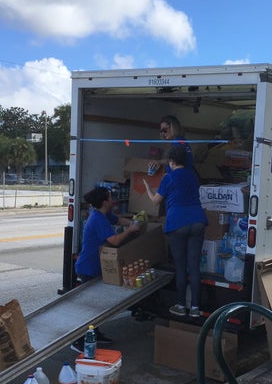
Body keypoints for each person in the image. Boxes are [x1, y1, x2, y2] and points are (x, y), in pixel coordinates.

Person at [71, 186, 141, 351]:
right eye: (110, 198)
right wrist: (130, 230)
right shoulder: (97, 219)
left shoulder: (102, 214)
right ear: (104, 202)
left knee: (97, 306)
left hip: (95, 267)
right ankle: (79, 341)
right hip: (88, 268)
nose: (113, 201)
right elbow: (115, 240)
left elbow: (117, 219)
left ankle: (95, 333)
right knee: (89, 308)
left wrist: (132, 222)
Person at [143, 144, 207, 317]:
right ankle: (195, 308)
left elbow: (155, 201)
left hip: (178, 222)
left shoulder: (168, 178)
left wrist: (148, 188)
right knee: (194, 266)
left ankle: (180, 305)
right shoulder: (193, 176)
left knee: (181, 266)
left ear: (171, 161)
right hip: (198, 220)